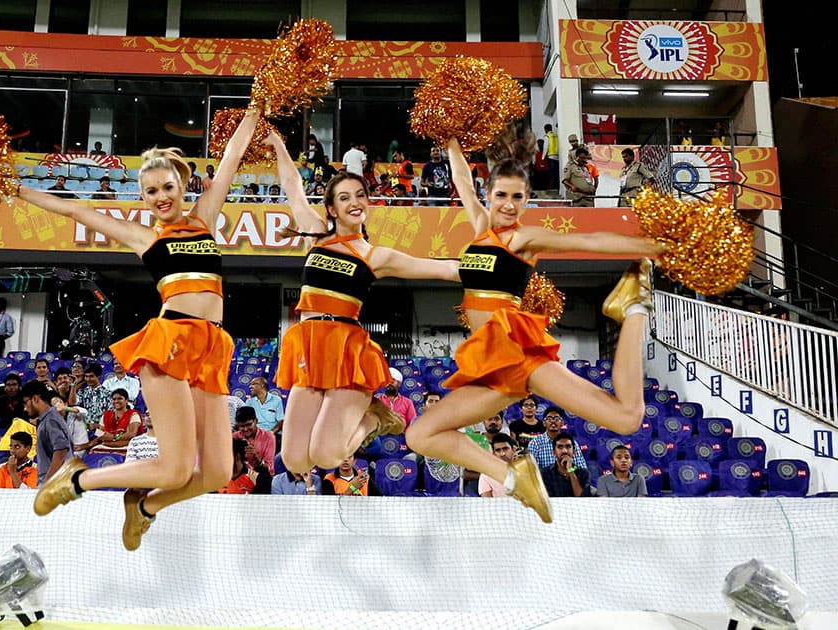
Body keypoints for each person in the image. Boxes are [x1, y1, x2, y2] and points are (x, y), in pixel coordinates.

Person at [30, 107, 261, 551]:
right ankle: (80, 478)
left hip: (210, 347)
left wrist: (257, 105)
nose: (160, 196)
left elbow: (232, 158)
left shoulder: (202, 219)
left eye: (168, 187)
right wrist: (16, 190)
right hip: (170, 341)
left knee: (216, 471)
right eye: (151, 190)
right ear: (143, 196)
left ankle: (145, 507)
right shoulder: (146, 238)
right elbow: (73, 209)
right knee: (175, 468)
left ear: (182, 186)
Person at [404, 133, 665, 523]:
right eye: (502, 196)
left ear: (527, 200)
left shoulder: (523, 238)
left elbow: (588, 240)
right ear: (488, 195)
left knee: (627, 418)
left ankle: (633, 307)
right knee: (420, 435)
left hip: (520, 354)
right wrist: (454, 141)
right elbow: (462, 182)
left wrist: (653, 247)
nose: (509, 205)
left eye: (518, 197)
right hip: (491, 362)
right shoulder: (479, 232)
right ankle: (512, 477)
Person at [264, 130, 459, 477]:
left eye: (360, 195)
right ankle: (364, 413)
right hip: (308, 344)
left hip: (346, 348)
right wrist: (278, 144)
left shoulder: (374, 255)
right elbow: (293, 187)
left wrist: (498, 271)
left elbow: (442, 268)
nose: (355, 202)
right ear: (331, 208)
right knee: (293, 460)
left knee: (326, 457)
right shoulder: (316, 235)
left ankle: (372, 418)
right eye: (344, 197)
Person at [527, 406, 587, 471]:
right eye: (549, 418)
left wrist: (571, 470)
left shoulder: (572, 443)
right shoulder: (535, 444)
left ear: (562, 423)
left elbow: (582, 470)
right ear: (544, 423)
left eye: (556, 418)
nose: (553, 421)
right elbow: (534, 472)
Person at [540, 432, 589, 498]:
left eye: (568, 446)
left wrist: (571, 470)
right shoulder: (545, 474)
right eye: (560, 447)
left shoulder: (583, 473)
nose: (564, 451)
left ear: (574, 451)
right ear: (553, 452)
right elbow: (549, 499)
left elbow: (582, 498)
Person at [232, 406, 274, 475]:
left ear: (256, 421)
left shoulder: (269, 438)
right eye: (242, 426)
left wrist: (256, 457)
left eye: (249, 424)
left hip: (260, 478)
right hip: (239, 478)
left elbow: (270, 471)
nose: (245, 429)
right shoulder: (235, 436)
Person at [543, 124, 560, 189]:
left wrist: (543, 158)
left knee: (552, 173)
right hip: (557, 156)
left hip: (551, 157)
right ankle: (557, 186)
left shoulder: (547, 136)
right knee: (556, 173)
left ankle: (552, 187)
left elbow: (545, 147)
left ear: (546, 129)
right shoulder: (556, 135)